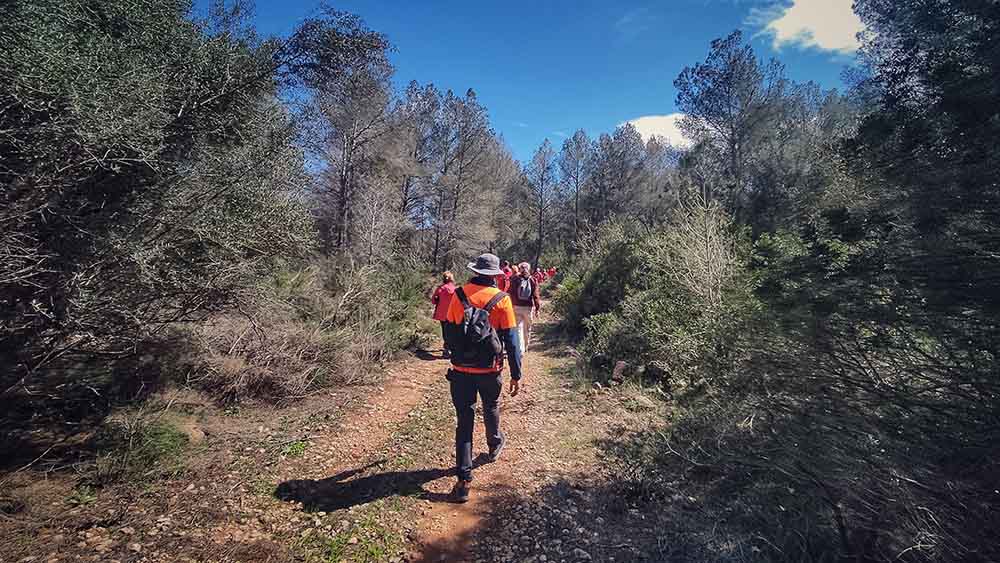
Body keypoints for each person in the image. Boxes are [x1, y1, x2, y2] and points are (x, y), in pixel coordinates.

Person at [442, 253, 522, 503]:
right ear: (496, 275)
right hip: (489, 370)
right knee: (491, 406)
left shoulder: (459, 294)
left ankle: (464, 481)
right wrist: (516, 374)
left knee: (464, 421)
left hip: (461, 371)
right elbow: (511, 341)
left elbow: (449, 330)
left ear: (476, 271)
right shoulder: (502, 300)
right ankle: (494, 443)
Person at [510, 262, 541, 353]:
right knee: (527, 329)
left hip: (516, 306)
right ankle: (525, 347)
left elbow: (510, 292)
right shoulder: (533, 280)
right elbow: (536, 296)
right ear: (529, 269)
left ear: (519, 269)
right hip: (528, 308)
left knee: (517, 328)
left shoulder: (515, 279)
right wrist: (537, 309)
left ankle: (519, 348)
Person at [430, 271, 456, 358]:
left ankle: (446, 350)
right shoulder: (455, 289)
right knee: (452, 331)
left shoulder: (440, 288)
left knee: (445, 332)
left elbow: (433, 301)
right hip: (453, 314)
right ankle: (451, 349)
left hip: (442, 314)